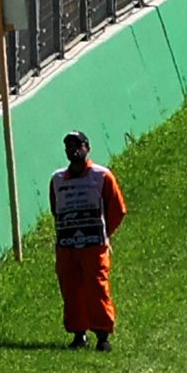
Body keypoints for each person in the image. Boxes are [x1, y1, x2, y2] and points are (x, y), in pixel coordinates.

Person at [47, 133, 127, 349]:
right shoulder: (57, 179)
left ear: (87, 148)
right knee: (71, 289)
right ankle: (78, 334)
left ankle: (102, 336)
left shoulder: (102, 176)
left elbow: (118, 209)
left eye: (77, 145)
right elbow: (56, 209)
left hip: (94, 246)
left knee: (97, 288)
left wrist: (103, 233)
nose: (72, 150)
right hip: (66, 247)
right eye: (68, 146)